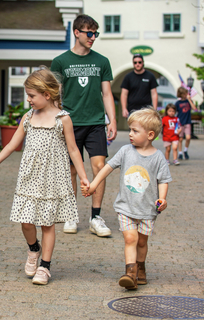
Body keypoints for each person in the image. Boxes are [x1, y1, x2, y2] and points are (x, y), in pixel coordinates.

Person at [0, 67, 89, 285]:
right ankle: (34, 249)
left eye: (31, 96)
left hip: (52, 179)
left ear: (47, 94)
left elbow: (73, 150)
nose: (28, 100)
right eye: (28, 95)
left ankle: (45, 267)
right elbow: (13, 144)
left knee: (47, 224)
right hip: (30, 178)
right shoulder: (28, 117)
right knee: (26, 222)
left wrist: (83, 177)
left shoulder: (63, 119)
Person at [81, 107, 172, 290]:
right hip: (126, 207)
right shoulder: (125, 151)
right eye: (130, 129)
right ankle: (130, 273)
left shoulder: (158, 158)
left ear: (150, 135)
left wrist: (162, 198)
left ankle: (141, 268)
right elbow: (106, 169)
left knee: (142, 241)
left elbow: (163, 180)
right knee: (130, 238)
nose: (130, 134)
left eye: (135, 131)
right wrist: (93, 185)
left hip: (147, 209)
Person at [50, 14, 117, 236]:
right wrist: (55, 119)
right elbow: (55, 94)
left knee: (99, 167)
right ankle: (71, 214)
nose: (93, 37)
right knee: (71, 170)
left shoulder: (102, 61)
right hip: (70, 123)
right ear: (76, 32)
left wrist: (112, 120)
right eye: (89, 33)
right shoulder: (60, 61)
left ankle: (96, 217)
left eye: (95, 33)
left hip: (96, 122)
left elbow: (107, 93)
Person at [175, 87, 197, 160]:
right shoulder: (178, 103)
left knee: (188, 137)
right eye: (184, 94)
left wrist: (189, 99)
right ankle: (180, 153)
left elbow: (194, 108)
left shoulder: (188, 101)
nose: (186, 95)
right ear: (181, 94)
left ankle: (185, 150)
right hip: (180, 122)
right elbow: (175, 112)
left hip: (187, 121)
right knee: (180, 139)